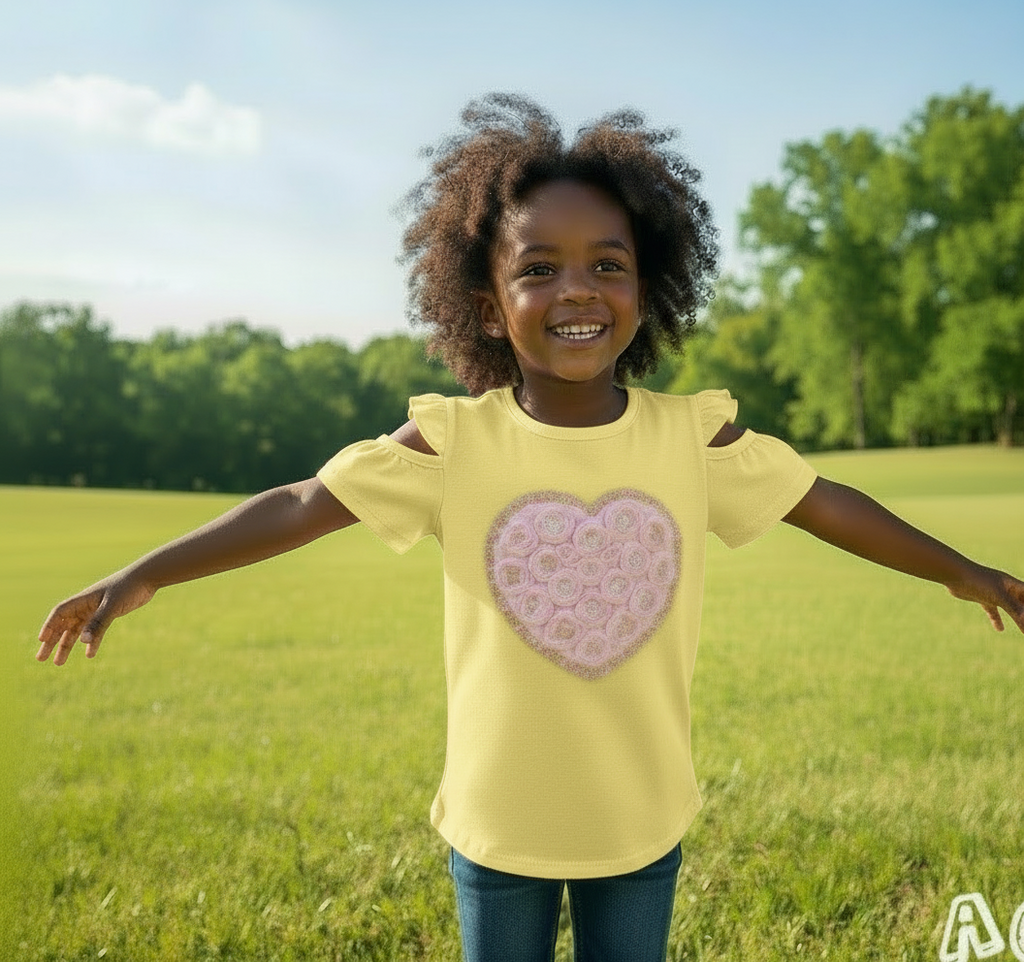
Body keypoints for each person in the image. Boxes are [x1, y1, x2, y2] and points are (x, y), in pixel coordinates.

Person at [37, 93, 1024, 962]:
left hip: (638, 818)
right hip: (496, 823)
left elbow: (821, 499)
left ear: (650, 283)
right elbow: (302, 501)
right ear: (487, 300)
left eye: (607, 262)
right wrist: (146, 571)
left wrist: (961, 571)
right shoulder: (451, 441)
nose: (576, 290)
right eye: (538, 267)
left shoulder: (689, 434)